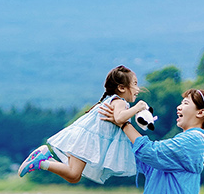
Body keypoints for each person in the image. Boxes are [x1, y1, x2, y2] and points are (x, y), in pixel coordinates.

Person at [19, 66, 155, 184]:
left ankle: (44, 159)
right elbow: (119, 118)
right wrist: (138, 107)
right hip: (86, 142)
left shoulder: (115, 101)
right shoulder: (119, 101)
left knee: (74, 177)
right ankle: (41, 161)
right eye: (135, 84)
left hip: (85, 140)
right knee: (73, 174)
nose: (138, 89)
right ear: (121, 88)